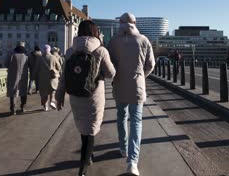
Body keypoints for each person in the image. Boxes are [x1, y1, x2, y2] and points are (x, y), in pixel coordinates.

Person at [56, 20, 116, 176]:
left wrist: (59, 95)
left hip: (75, 95)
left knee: (84, 127)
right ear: (95, 32)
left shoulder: (70, 51)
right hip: (93, 95)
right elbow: (110, 74)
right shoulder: (101, 51)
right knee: (91, 129)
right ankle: (83, 168)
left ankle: (89, 155)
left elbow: (64, 76)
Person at [109, 12, 155, 176]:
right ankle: (132, 163)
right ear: (135, 23)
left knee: (121, 116)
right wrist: (141, 75)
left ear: (120, 23)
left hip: (120, 84)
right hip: (137, 84)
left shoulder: (114, 41)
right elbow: (151, 64)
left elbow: (110, 65)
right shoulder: (143, 40)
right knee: (136, 120)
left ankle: (123, 147)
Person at [33, 44, 61, 111]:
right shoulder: (53, 57)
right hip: (52, 78)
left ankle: (45, 106)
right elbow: (59, 67)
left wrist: (33, 77)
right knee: (52, 91)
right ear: (49, 50)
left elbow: (36, 68)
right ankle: (52, 102)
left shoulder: (39, 58)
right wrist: (55, 70)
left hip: (43, 79)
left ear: (43, 50)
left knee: (44, 93)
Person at [5, 41, 29, 115]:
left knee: (13, 92)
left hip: (13, 76)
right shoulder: (26, 56)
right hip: (23, 76)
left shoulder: (11, 55)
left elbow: (6, 64)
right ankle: (23, 107)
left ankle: (13, 109)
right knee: (23, 92)